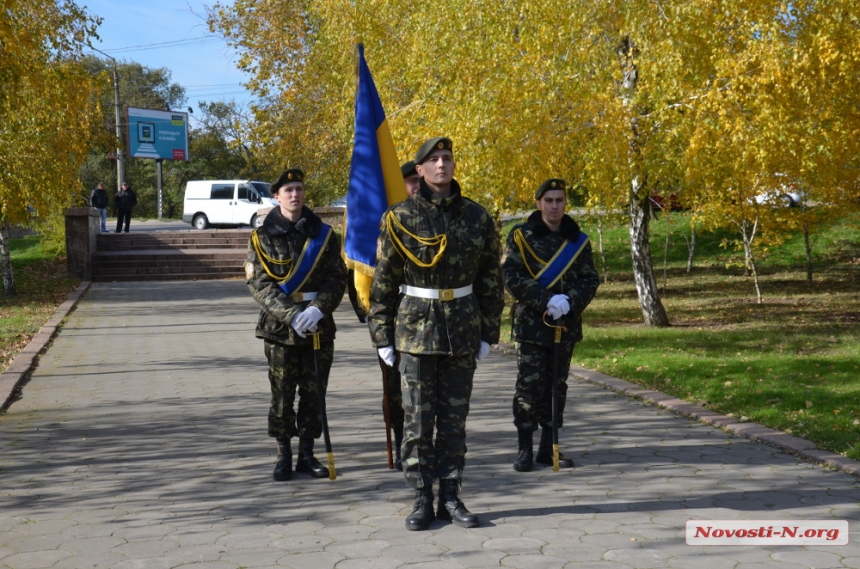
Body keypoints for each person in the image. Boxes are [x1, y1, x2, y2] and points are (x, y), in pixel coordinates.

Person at [368, 137, 504, 531]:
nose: (442, 165)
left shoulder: (477, 218)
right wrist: (382, 337)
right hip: (414, 332)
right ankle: (422, 497)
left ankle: (451, 494)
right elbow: (384, 284)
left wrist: (488, 333)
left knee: (454, 419)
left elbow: (491, 281)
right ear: (420, 169)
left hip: (462, 328)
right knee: (417, 419)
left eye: (447, 158)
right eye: (433, 160)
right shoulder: (399, 218)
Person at [245, 168, 347, 481]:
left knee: (315, 393)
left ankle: (307, 454)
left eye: (299, 188)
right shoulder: (261, 237)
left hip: (318, 327)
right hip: (279, 330)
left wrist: (318, 309)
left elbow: (336, 277)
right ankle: (283, 454)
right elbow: (259, 283)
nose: (295, 195)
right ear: (276, 196)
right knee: (282, 394)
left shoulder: (324, 235)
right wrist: (291, 315)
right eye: (288, 189)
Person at [502, 178, 600, 472]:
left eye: (559, 200)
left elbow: (590, 278)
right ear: (538, 203)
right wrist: (545, 300)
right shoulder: (521, 236)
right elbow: (512, 276)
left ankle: (549, 449)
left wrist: (569, 301)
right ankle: (524, 449)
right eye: (549, 201)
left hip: (564, 325)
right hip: (532, 325)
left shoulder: (578, 240)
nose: (555, 206)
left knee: (557, 387)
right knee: (529, 388)